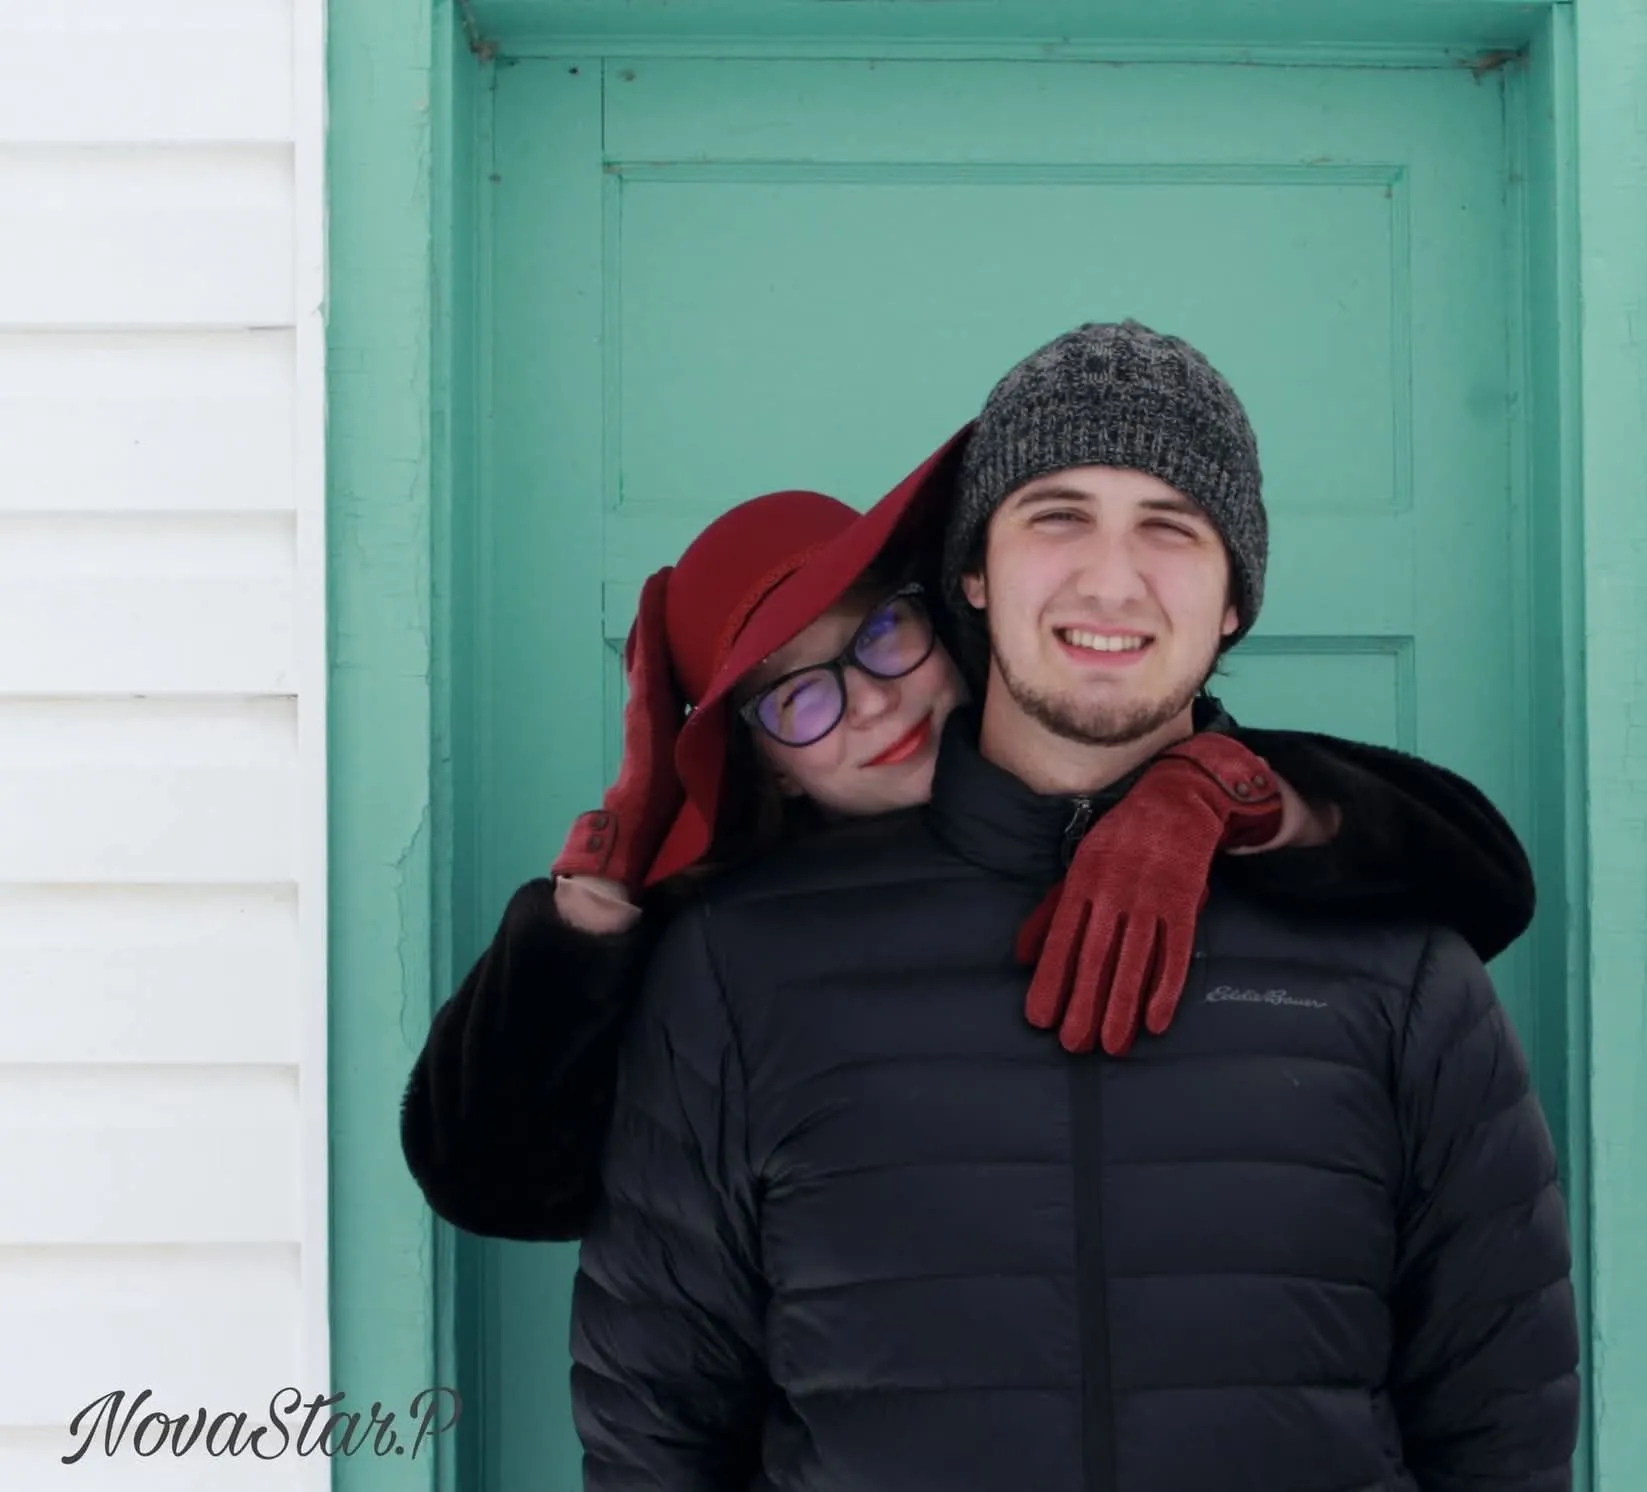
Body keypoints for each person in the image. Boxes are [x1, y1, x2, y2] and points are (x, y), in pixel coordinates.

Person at [567, 321, 1580, 1492]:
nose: (1111, 579)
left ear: (1234, 598)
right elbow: (652, 1426)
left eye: (1171, 527)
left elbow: (1503, 1429)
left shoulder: (1395, 964)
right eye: (1056, 517)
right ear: (973, 574)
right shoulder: (743, 968)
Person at [401, 426, 1537, 1243]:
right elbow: (499, 1185)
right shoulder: (729, 960)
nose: (874, 703)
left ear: (942, 611)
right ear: (763, 762)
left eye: (881, 637)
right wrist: (593, 901)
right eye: (798, 699)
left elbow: (1484, 877)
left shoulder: (1116, 764)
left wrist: (1214, 784)